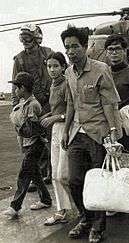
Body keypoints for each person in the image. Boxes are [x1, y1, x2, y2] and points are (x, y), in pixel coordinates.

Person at [60, 26, 122, 243]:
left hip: (98, 133)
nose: (70, 51)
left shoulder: (101, 69)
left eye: (75, 46)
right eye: (67, 47)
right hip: (77, 132)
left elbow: (110, 104)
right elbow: (70, 103)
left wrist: (113, 133)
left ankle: (98, 226)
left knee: (98, 182)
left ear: (85, 46)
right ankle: (85, 218)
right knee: (74, 180)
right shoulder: (68, 72)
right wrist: (66, 130)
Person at [3, 72, 52, 219]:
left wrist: (19, 127)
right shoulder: (24, 104)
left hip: (36, 144)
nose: (15, 91)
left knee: (24, 174)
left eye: (16, 88)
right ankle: (46, 199)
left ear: (23, 88)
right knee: (34, 174)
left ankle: (15, 206)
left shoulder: (32, 105)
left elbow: (32, 130)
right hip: (30, 144)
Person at [12, 24, 53, 189]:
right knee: (33, 140)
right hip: (30, 104)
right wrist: (16, 108)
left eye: (28, 38)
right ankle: (40, 177)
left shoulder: (48, 53)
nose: (25, 42)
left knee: (51, 138)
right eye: (22, 39)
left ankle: (50, 174)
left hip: (50, 102)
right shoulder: (19, 59)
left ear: (36, 38)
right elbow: (15, 85)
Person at [41, 52, 73, 226]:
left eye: (56, 66)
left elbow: (71, 110)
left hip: (66, 129)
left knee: (64, 174)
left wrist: (55, 118)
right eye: (49, 66)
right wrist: (48, 114)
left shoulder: (66, 84)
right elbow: (56, 109)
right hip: (55, 131)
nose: (52, 70)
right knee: (54, 174)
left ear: (63, 67)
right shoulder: (53, 85)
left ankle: (81, 207)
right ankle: (61, 211)